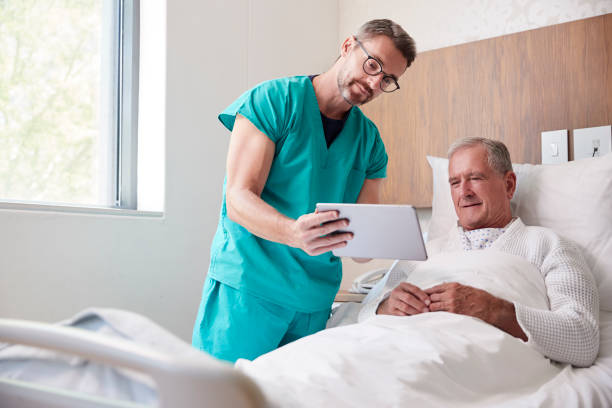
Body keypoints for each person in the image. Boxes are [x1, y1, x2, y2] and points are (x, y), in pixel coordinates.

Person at [192, 19, 417, 362]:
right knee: (219, 396)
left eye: (387, 80)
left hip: (313, 302)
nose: (374, 82)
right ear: (347, 47)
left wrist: (388, 241)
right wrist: (293, 232)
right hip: (249, 288)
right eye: (373, 65)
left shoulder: (370, 143)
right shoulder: (273, 102)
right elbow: (238, 199)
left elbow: (361, 246)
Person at [366, 137, 599, 367]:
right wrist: (385, 307)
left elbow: (583, 339)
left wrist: (493, 309)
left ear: (509, 185)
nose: (464, 192)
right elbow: (365, 312)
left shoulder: (547, 245)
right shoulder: (423, 252)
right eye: (455, 183)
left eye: (475, 178)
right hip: (394, 350)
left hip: (465, 362)